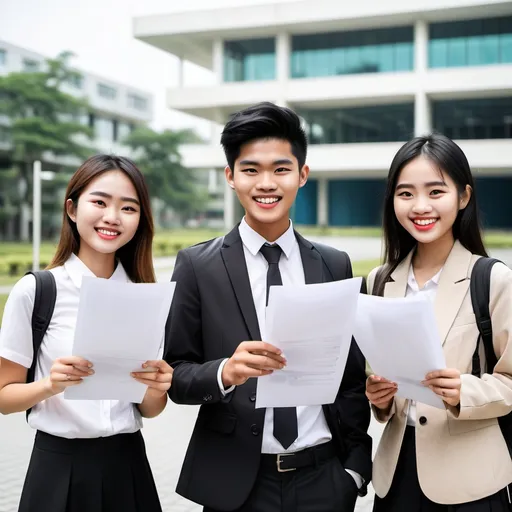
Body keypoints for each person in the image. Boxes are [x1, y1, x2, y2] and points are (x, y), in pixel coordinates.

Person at [165, 102, 372, 512]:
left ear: (302, 175)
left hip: (325, 478)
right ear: (230, 177)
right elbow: (174, 376)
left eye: (280, 169)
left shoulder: (334, 264)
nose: (266, 183)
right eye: (250, 169)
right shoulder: (197, 267)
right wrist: (225, 371)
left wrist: (354, 470)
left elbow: (349, 376)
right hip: (237, 485)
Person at [0, 155, 173, 512]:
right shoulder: (37, 291)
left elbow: (150, 409)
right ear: (72, 209)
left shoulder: (145, 296)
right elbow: (3, 398)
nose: (112, 217)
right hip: (58, 468)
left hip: (129, 466)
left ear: (140, 220)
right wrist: (51, 384)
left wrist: (157, 388)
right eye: (99, 202)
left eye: (129, 208)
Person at [365, 133, 512, 511]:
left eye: (435, 191)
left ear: (463, 197)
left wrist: (464, 389)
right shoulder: (379, 281)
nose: (420, 206)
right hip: (396, 479)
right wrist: (380, 400)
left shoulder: (493, 279)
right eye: (405, 193)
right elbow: (385, 379)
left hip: (470, 483)